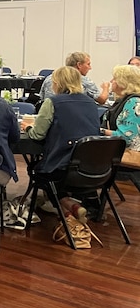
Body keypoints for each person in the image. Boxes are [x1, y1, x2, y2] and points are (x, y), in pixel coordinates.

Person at [21, 66, 101, 223]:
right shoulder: (92, 104)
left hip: (62, 168)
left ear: (56, 83)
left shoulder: (52, 102)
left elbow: (38, 134)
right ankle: (70, 205)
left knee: (38, 170)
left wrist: (28, 127)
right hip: (92, 168)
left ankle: (64, 204)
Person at [39, 52, 109, 105]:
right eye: (88, 64)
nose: (90, 68)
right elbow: (102, 100)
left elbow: (41, 98)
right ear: (79, 65)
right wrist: (106, 88)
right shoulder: (84, 80)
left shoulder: (50, 78)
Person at [102, 65, 140, 152]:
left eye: (114, 79)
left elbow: (128, 137)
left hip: (128, 155)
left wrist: (102, 131)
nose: (111, 81)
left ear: (123, 82)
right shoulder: (122, 100)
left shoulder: (134, 102)